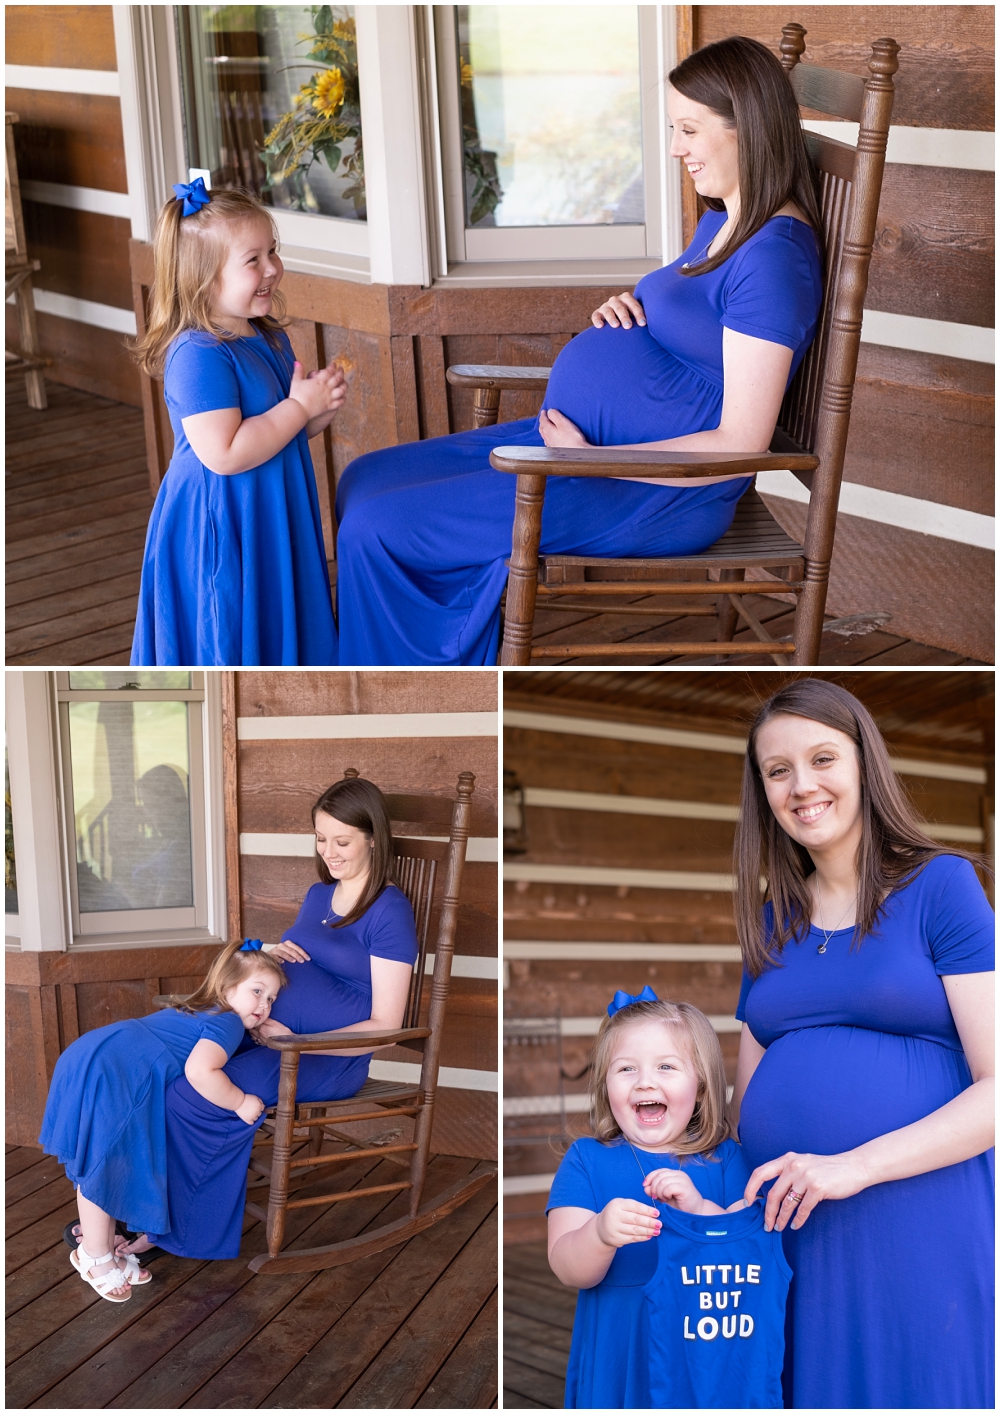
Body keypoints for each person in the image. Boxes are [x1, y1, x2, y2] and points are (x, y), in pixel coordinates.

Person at [334, 35, 823, 665]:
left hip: (652, 489)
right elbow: (697, 325)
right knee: (363, 480)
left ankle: (409, 680)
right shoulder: (727, 218)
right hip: (578, 454)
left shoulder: (774, 259)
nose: (676, 148)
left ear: (749, 130)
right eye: (675, 128)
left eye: (691, 130)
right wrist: (635, 313)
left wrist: (595, 457)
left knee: (380, 527)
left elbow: (740, 446)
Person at [732, 678, 994, 1409]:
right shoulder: (771, 917)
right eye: (777, 770)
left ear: (862, 765)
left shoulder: (942, 885)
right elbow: (746, 1093)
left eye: (822, 759)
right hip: (788, 1225)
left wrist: (852, 1166)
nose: (801, 785)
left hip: (914, 1213)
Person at [117, 775, 419, 1263]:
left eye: (342, 841)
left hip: (320, 1058)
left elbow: (385, 1026)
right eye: (321, 840)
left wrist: (298, 1036)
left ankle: (177, 1229)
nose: (330, 853)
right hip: (265, 1035)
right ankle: (140, 1207)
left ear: (372, 838)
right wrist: (273, 957)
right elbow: (304, 962)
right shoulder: (319, 895)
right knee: (167, 1074)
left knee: (193, 1096)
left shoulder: (389, 912)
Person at [130, 179, 345, 667]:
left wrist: (315, 411)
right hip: (222, 524)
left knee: (272, 614)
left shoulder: (266, 338)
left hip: (267, 512)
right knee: (227, 626)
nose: (273, 268)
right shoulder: (197, 355)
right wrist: (298, 409)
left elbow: (275, 432)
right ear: (205, 279)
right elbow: (225, 452)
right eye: (254, 260)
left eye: (273, 251)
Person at [547, 992, 786, 1408]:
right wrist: (599, 1234)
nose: (645, 1081)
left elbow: (745, 1251)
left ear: (700, 1088)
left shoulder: (727, 1159)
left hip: (700, 1345)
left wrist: (698, 1210)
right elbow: (568, 1267)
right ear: (606, 1086)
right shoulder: (587, 1160)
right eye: (626, 1069)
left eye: (666, 1067)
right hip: (622, 1346)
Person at [39, 940, 286, 1302]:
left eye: (271, 999)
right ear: (226, 986)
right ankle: (93, 1255)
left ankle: (103, 1248)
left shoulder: (200, 1011)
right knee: (104, 1162)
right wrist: (240, 1101)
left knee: (109, 1158)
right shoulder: (228, 1021)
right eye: (257, 992)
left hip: (98, 1055)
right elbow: (200, 1071)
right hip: (114, 1071)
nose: (264, 1006)